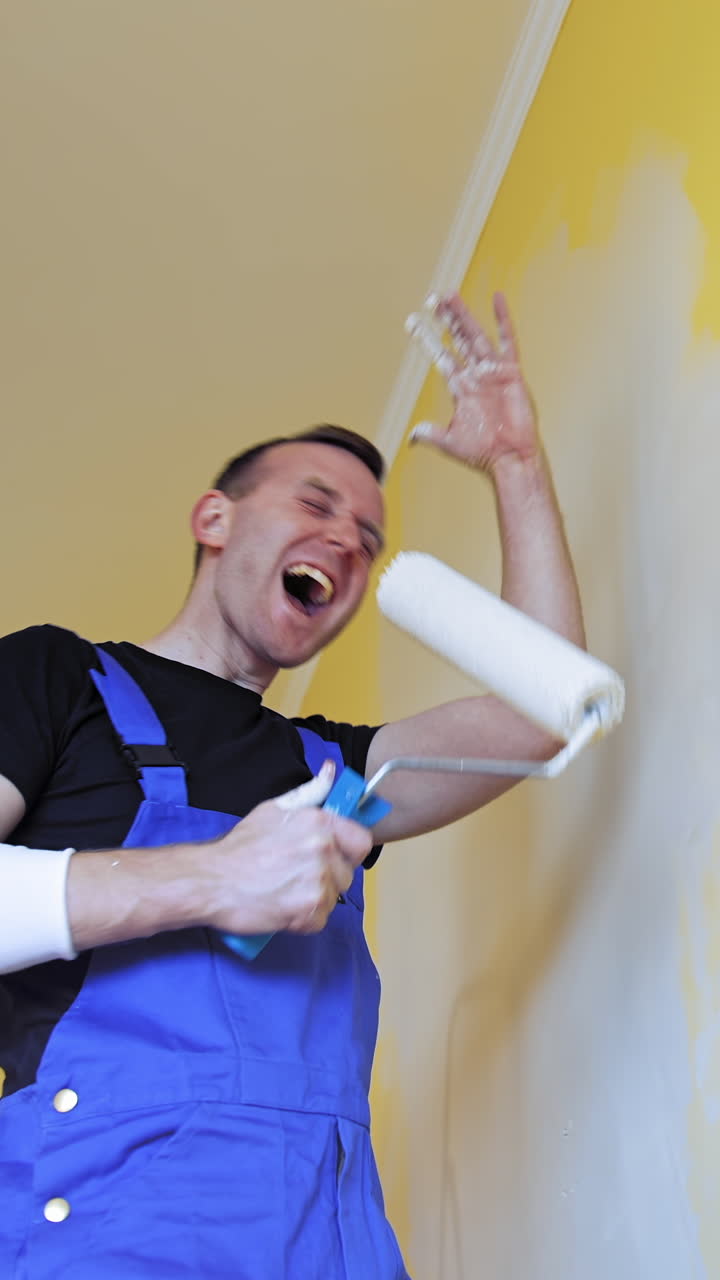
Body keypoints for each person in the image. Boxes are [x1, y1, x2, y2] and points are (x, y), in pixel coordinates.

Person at [0, 294, 585, 1279]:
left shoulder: (341, 774)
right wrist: (209, 880)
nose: (348, 542)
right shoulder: (56, 680)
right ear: (215, 518)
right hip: (109, 1231)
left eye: (367, 533)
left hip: (327, 1241)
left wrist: (518, 468)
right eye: (316, 504)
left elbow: (545, 710)